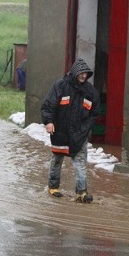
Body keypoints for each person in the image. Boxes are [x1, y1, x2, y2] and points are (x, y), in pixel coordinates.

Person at [41, 58, 100, 203]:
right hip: (60, 131)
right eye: (81, 73)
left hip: (79, 134)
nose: (83, 76)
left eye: (86, 74)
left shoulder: (90, 92)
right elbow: (48, 105)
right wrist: (48, 122)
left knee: (80, 162)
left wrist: (85, 129)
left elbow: (94, 113)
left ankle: (82, 192)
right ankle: (53, 187)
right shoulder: (61, 86)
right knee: (57, 160)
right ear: (74, 72)